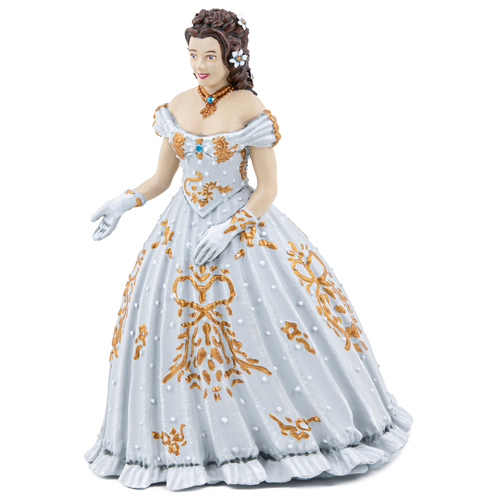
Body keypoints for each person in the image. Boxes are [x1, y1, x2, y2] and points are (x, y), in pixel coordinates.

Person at [85, 8, 413, 492]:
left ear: (232, 57)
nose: (199, 65)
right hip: (179, 231)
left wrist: (229, 229)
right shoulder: (177, 104)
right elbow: (160, 179)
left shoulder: (249, 108)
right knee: (168, 329)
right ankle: (183, 439)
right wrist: (124, 201)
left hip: (241, 231)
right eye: (193, 54)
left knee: (267, 329)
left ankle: (284, 433)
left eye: (209, 56)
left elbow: (268, 190)